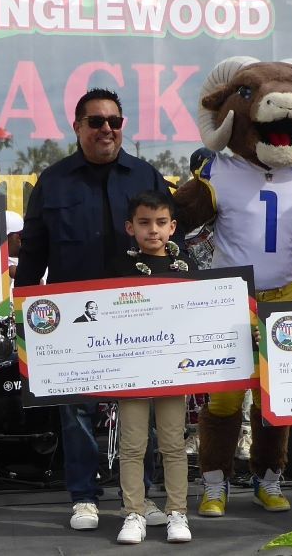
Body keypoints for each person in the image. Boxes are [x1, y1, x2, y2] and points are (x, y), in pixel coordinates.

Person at [15, 88, 171, 532]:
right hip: (73, 315)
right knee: (77, 409)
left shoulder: (146, 176)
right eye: (96, 121)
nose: (106, 129)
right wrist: (24, 305)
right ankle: (83, 497)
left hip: (138, 312)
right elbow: (35, 251)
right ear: (78, 127)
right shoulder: (55, 180)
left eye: (114, 122)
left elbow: (166, 243)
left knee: (140, 406)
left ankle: (138, 495)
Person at [107, 190, 195, 545]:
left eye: (161, 223)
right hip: (131, 372)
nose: (153, 230)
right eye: (144, 223)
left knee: (174, 443)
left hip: (175, 370)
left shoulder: (188, 270)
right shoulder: (117, 270)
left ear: (172, 227)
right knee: (132, 445)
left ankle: (178, 512)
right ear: (131, 227)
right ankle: (135, 512)